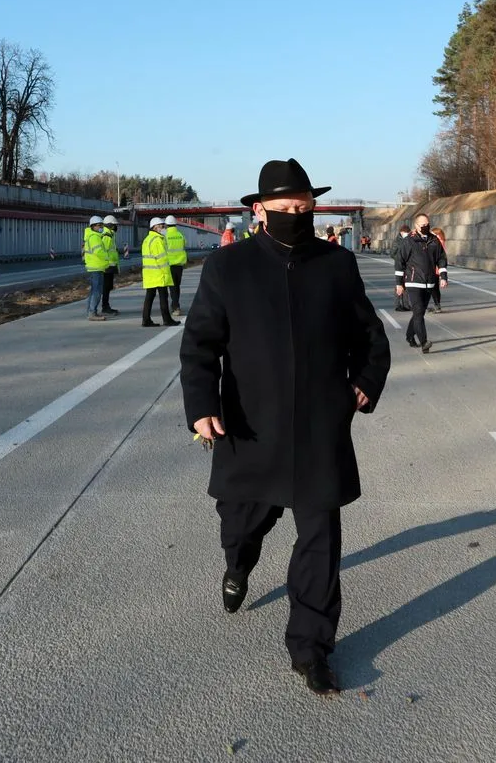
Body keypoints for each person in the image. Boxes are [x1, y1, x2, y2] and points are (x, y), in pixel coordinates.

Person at [181, 158, 391, 697]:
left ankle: (312, 648)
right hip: (249, 428)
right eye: (286, 209)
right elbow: (200, 346)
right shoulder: (228, 268)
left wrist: (365, 381)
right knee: (243, 521)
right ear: (259, 211)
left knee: (320, 541)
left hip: (321, 426)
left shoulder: (337, 265)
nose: (298, 216)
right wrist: (202, 404)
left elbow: (371, 336)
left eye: (305, 208)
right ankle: (239, 563)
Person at [394, 213, 448, 352]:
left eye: (427, 224)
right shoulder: (409, 241)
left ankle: (409, 336)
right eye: (422, 225)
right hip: (413, 282)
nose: (425, 227)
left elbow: (441, 258)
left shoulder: (434, 241)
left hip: (429, 283)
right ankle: (424, 342)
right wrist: (399, 283)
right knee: (418, 311)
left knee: (420, 313)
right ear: (416, 226)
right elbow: (399, 262)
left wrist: (443, 276)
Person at [141, 218, 180, 327]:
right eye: (162, 226)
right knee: (163, 296)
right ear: (155, 227)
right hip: (159, 273)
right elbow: (161, 259)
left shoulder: (147, 239)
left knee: (149, 296)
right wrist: (166, 273)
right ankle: (167, 320)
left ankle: (146, 319)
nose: (164, 228)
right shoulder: (157, 240)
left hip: (149, 273)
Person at [82, 215, 110, 321]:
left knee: (94, 290)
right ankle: (92, 313)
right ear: (93, 226)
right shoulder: (94, 237)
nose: (101, 227)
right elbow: (98, 251)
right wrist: (107, 257)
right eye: (99, 225)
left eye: (102, 225)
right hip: (96, 267)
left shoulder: (94, 236)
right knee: (97, 291)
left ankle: (91, 311)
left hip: (96, 266)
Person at [165, 215, 188, 318]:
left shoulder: (164, 235)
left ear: (166, 225)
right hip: (179, 265)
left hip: (169, 265)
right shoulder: (180, 235)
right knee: (177, 287)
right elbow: (184, 244)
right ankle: (175, 305)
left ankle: (175, 307)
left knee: (172, 287)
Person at [100, 215, 121, 316]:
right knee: (106, 287)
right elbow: (104, 251)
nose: (116, 227)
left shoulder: (110, 235)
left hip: (109, 266)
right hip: (107, 266)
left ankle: (106, 306)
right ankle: (105, 307)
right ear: (110, 226)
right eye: (114, 225)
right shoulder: (107, 236)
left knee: (108, 287)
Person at [392, 224, 412, 312]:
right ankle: (398, 305)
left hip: (407, 265)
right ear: (401, 232)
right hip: (399, 265)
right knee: (399, 284)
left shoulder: (409, 240)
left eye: (408, 233)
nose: (406, 234)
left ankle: (406, 305)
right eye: (405, 233)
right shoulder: (397, 241)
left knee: (406, 285)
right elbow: (392, 253)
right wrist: (399, 259)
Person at [429, 227, 447, 313]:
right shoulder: (438, 242)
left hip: (436, 269)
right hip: (436, 269)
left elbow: (440, 258)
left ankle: (437, 305)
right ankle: (437, 305)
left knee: (434, 288)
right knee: (434, 288)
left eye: (434, 234)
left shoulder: (439, 243)